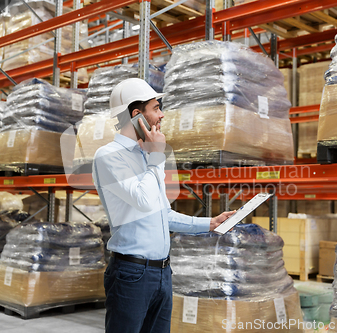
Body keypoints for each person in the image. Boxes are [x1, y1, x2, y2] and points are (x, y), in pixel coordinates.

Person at [92, 78, 235, 333]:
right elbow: (144, 199)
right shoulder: (109, 156)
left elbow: (161, 214)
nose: (162, 115)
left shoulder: (147, 157)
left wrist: (209, 224)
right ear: (137, 115)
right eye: (156, 108)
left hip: (162, 273)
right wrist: (156, 156)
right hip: (131, 274)